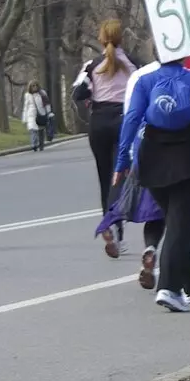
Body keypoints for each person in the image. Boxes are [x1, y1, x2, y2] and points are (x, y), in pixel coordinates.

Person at [113, 51, 190, 313]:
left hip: (152, 158)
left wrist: (122, 161)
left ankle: (188, 285)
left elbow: (132, 118)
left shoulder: (145, 82)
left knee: (175, 222)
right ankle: (169, 288)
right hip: (188, 157)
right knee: (178, 226)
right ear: (182, 53)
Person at [73, 19, 137, 257]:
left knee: (103, 177)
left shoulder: (92, 65)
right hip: (123, 121)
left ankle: (108, 224)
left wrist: (91, 98)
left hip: (98, 122)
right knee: (119, 176)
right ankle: (118, 229)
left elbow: (78, 92)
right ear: (121, 38)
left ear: (101, 38)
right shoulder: (132, 64)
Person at [21, 81, 51, 151]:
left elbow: (47, 104)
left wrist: (48, 112)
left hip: (41, 113)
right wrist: (24, 118)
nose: (34, 87)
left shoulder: (42, 93)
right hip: (31, 114)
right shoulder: (27, 95)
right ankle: (34, 144)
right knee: (33, 130)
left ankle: (41, 145)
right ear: (30, 87)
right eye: (33, 86)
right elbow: (26, 107)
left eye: (36, 85)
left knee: (41, 130)